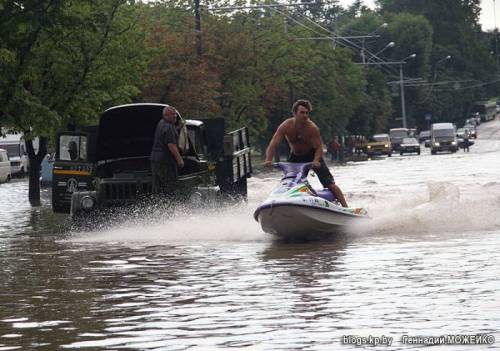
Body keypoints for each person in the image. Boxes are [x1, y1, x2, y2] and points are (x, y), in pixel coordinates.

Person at [264, 99, 349, 207]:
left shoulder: (312, 128)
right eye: (302, 112)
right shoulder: (286, 126)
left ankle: (345, 207)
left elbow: (319, 147)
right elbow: (274, 143)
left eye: (307, 113)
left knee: (329, 183)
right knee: (289, 182)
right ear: (295, 113)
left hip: (312, 155)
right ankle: (284, 203)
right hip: (295, 156)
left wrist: (316, 160)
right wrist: (268, 159)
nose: (305, 115)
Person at [150, 106, 184, 196]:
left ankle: (158, 204)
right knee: (170, 186)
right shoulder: (169, 127)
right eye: (173, 115)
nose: (175, 117)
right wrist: (179, 160)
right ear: (166, 115)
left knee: (157, 187)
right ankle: (171, 205)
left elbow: (167, 134)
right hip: (166, 161)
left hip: (155, 159)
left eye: (175, 116)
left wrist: (179, 127)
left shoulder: (161, 123)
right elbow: (171, 145)